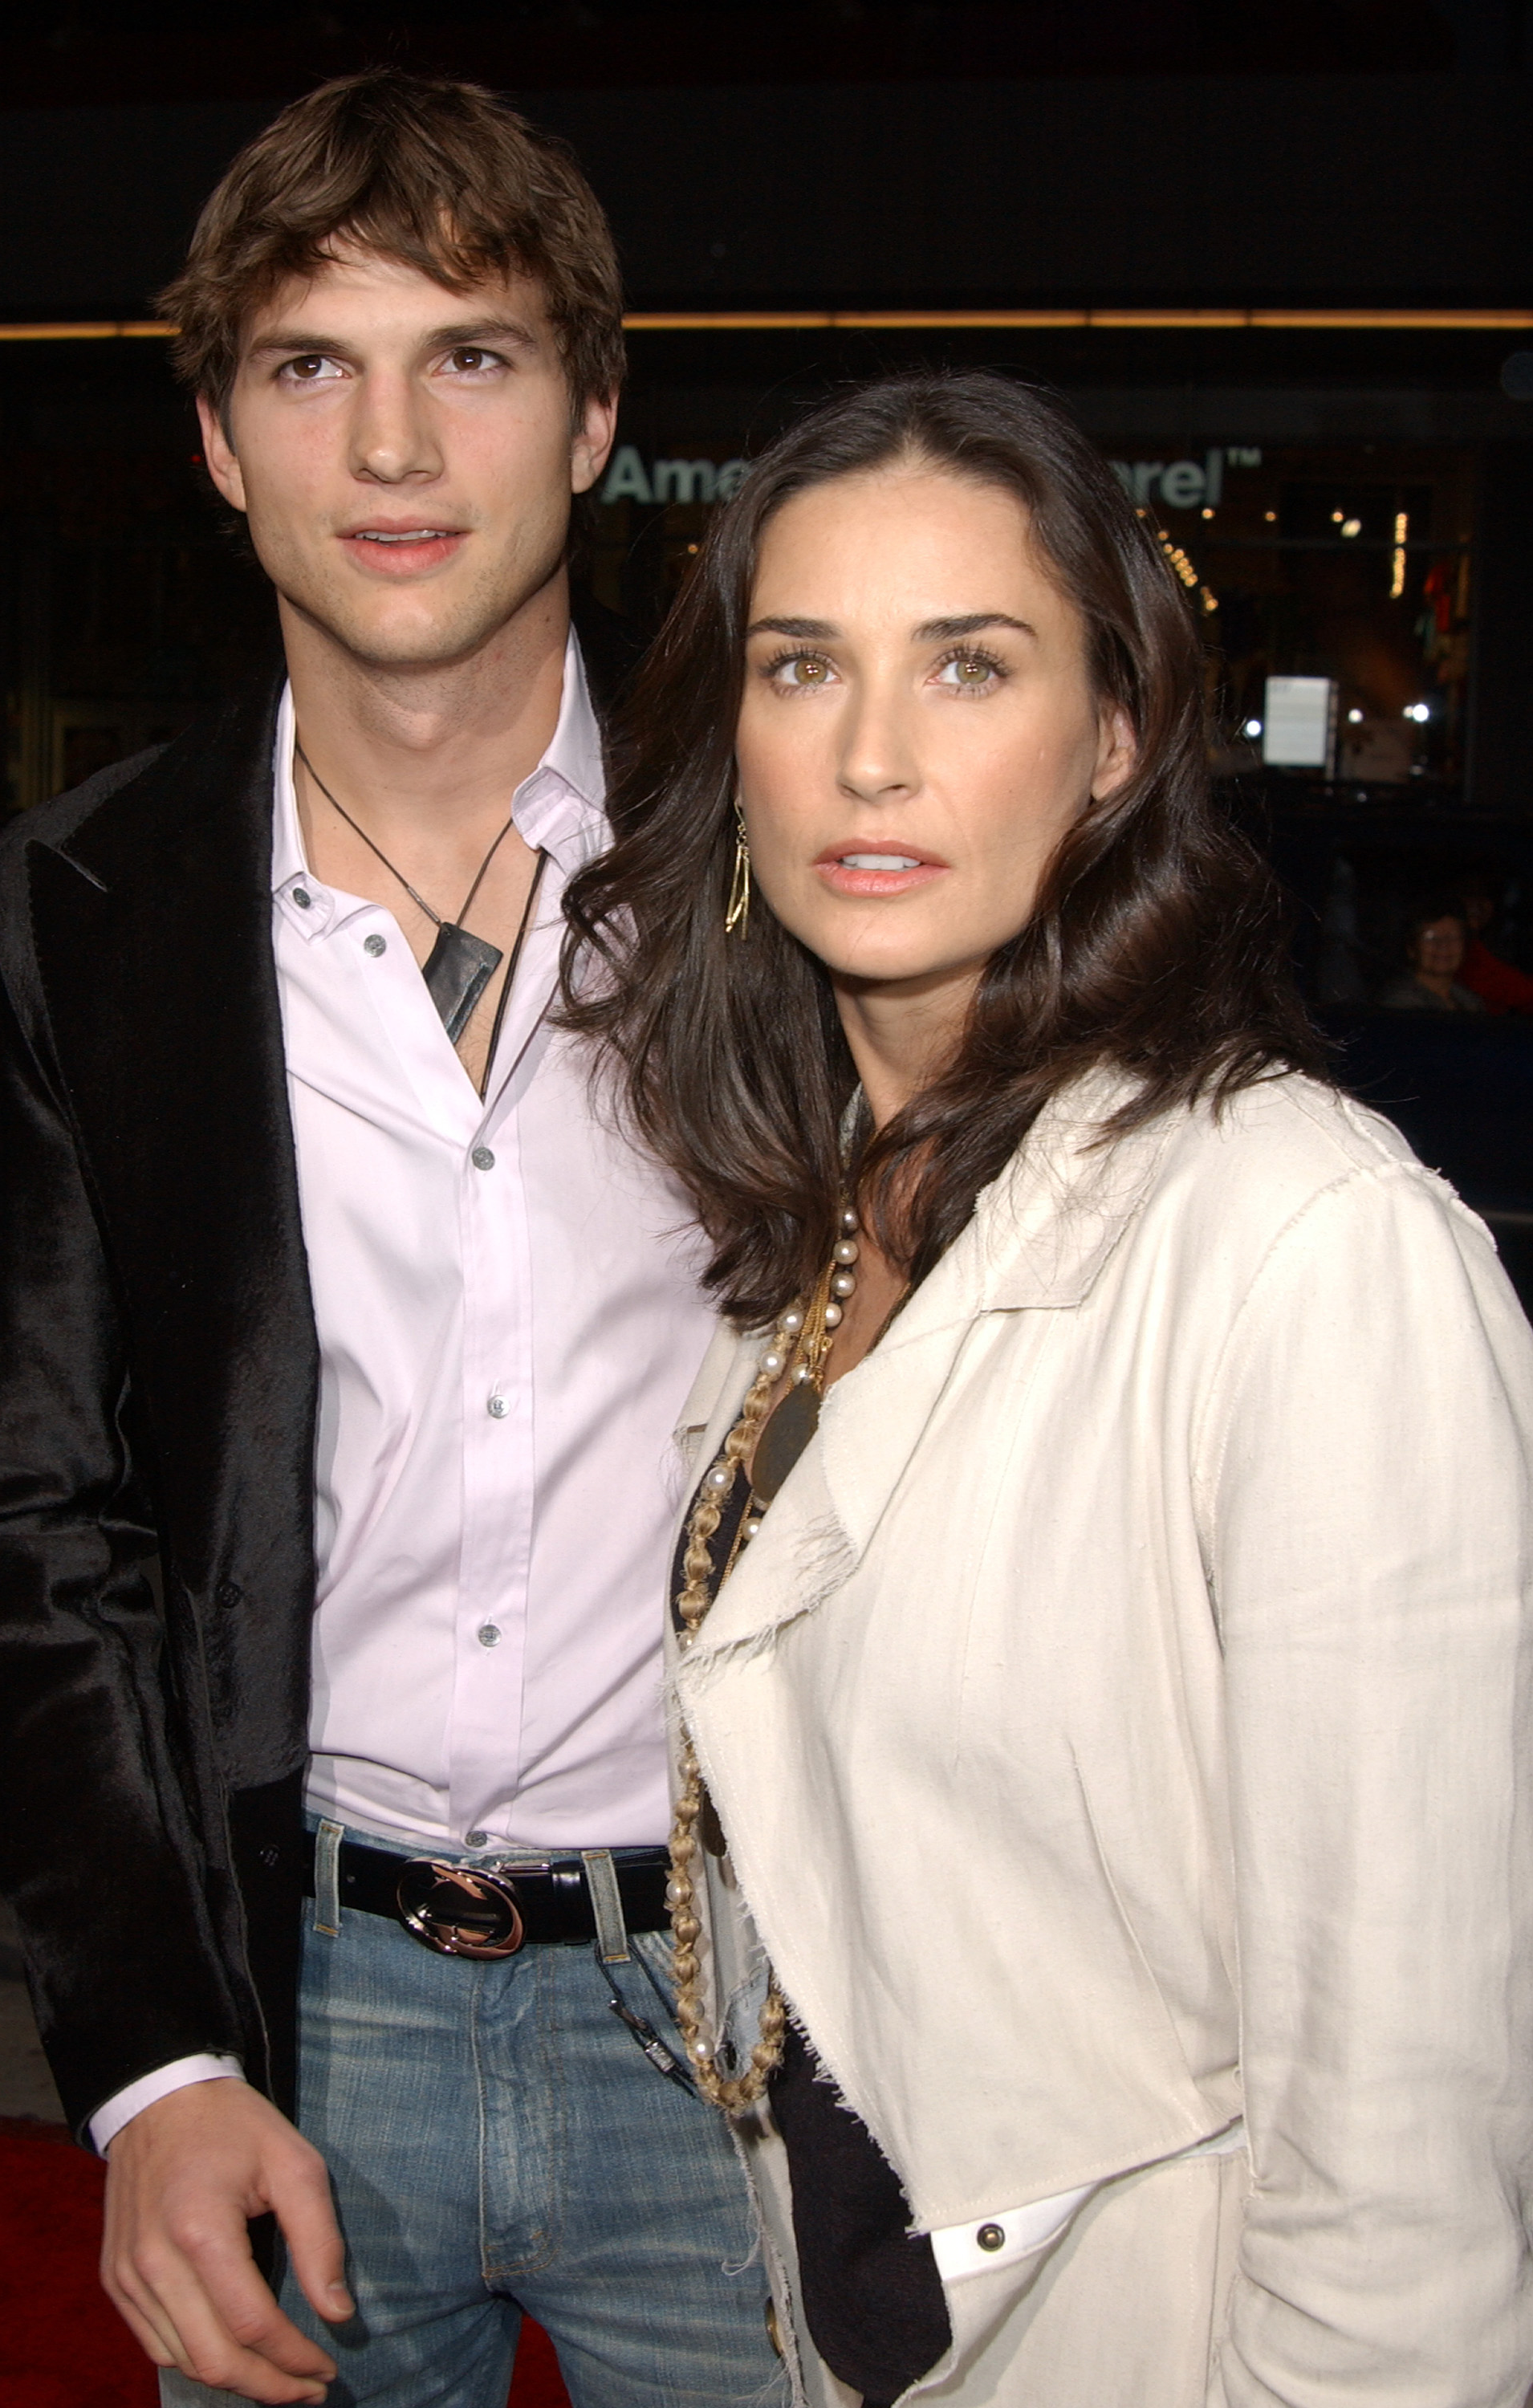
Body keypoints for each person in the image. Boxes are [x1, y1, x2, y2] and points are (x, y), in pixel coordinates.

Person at [0, 68, 784, 2408]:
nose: (391, 445)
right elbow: (28, 1514)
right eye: (312, 365)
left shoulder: (787, 857)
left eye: (469, 355)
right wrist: (148, 2060)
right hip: (295, 2011)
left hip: (755, 2007)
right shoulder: (78, 904)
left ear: (593, 416)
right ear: (220, 441)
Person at [562, 371, 1533, 2406]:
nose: (872, 753)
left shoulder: (1304, 1245)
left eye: (968, 665)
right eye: (801, 665)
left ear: (1112, 736)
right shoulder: (809, 1229)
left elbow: (1411, 2139)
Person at [1378, 901, 1486, 1011]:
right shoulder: (1401, 1004)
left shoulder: (1470, 1002)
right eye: (1431, 937)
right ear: (1411, 949)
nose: (1443, 946)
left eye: (1453, 937)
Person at [1456, 870, 1533, 1014]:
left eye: (1486, 896)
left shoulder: (1506, 946)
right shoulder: (1454, 952)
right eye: (1468, 894)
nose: (1477, 904)